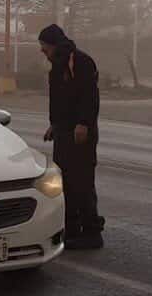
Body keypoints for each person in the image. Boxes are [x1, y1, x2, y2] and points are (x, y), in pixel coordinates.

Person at [38, 23, 104, 250]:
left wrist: (83, 123)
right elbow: (57, 100)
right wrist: (54, 124)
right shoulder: (57, 67)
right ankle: (72, 228)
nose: (42, 50)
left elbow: (90, 96)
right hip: (63, 132)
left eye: (44, 46)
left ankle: (92, 231)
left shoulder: (81, 62)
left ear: (54, 44)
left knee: (82, 182)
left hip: (80, 133)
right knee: (64, 181)